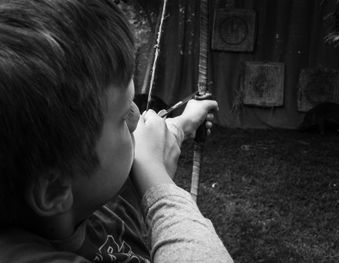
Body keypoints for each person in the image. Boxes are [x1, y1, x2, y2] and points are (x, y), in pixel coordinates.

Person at [0, 0, 234, 262]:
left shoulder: (86, 192)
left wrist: (184, 123)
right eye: (123, 117)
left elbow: (137, 150)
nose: (137, 119)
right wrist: (159, 185)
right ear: (54, 190)